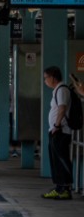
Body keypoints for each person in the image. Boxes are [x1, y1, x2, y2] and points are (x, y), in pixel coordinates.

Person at [42, 66, 73, 199]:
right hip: (55, 130)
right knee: (55, 161)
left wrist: (56, 125)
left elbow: (62, 109)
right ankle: (59, 187)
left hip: (60, 130)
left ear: (53, 77)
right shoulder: (57, 90)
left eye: (46, 78)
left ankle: (65, 188)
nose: (45, 81)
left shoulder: (62, 90)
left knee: (61, 159)